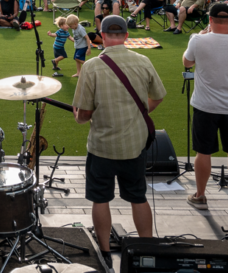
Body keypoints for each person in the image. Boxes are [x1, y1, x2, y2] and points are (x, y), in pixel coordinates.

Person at [72, 16, 165, 272]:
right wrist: (141, 112)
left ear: (101, 35)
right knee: (138, 197)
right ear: (126, 35)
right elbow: (158, 96)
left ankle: (104, 253)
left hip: (102, 146)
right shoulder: (143, 60)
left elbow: (83, 114)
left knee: (100, 199)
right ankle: (147, 250)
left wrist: (77, 116)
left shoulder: (91, 66)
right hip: (134, 145)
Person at [182, 3, 228, 211]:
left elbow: (186, 63)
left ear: (210, 20)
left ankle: (200, 194)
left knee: (203, 152)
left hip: (205, 105)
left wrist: (202, 35)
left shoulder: (198, 39)